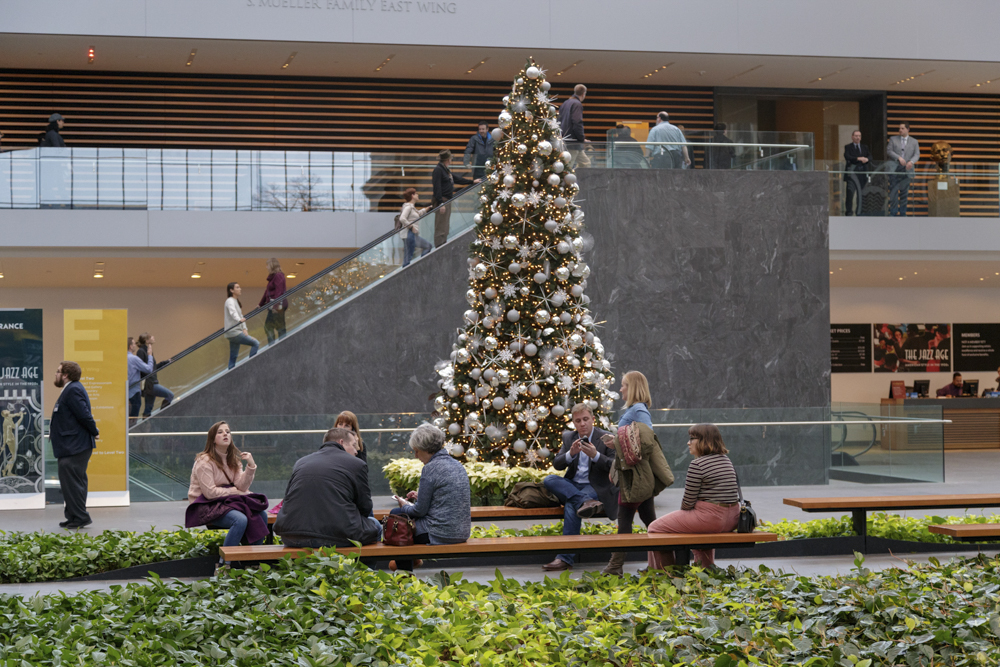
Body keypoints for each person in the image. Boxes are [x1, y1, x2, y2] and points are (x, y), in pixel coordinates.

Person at [647, 423, 740, 570]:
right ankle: (706, 569)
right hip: (732, 518)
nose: (688, 443)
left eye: (692, 439)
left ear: (704, 441)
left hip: (710, 518)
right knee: (699, 531)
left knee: (655, 528)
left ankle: (666, 573)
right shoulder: (726, 460)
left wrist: (685, 515)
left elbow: (687, 503)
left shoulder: (698, 465)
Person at [274, 426, 382, 548]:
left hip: (291, 536)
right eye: (353, 445)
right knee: (375, 525)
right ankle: (364, 568)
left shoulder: (301, 462)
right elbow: (365, 507)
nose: (356, 451)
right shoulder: (357, 464)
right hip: (334, 537)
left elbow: (288, 498)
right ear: (341, 442)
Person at [541, 403, 617, 571]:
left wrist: (596, 455)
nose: (582, 424)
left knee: (570, 506)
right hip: (573, 484)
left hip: (595, 485)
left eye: (585, 419)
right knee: (549, 480)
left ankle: (564, 558)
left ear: (593, 419)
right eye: (578, 421)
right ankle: (585, 501)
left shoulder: (606, 437)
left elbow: (614, 465)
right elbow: (557, 465)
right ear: (574, 423)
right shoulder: (569, 438)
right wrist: (571, 454)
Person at [390, 423, 471, 572]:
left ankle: (404, 574)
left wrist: (404, 504)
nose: (415, 456)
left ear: (426, 449)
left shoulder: (430, 468)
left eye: (417, 451)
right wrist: (420, 496)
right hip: (462, 531)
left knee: (397, 515)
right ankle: (410, 560)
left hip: (439, 532)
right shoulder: (457, 465)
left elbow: (420, 511)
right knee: (403, 518)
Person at [599, 421, 674, 575]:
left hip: (633, 478)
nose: (622, 394)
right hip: (642, 477)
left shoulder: (635, 413)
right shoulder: (640, 415)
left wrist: (615, 442)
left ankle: (615, 566)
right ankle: (665, 565)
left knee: (625, 523)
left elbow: (634, 446)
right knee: (651, 523)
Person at [185, 421, 268, 556]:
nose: (225, 434)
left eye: (228, 432)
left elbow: (241, 486)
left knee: (261, 514)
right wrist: (235, 491)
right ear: (212, 439)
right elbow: (210, 493)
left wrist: (251, 465)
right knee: (240, 519)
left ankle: (253, 560)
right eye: (220, 432)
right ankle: (225, 564)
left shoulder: (233, 461)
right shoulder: (204, 461)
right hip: (206, 504)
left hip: (226, 502)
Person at [50, 361, 99, 529]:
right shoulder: (71, 389)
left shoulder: (73, 389)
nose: (55, 374)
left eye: (58, 371)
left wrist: (94, 431)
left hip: (75, 446)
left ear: (65, 375)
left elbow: (84, 415)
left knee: (73, 483)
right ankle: (72, 517)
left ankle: (80, 517)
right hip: (71, 446)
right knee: (70, 482)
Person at [431, 150, 480, 248]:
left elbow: (457, 179)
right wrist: (441, 203)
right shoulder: (438, 170)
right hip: (443, 201)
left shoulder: (445, 170)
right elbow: (437, 187)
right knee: (441, 225)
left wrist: (471, 181)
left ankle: (443, 243)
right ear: (448, 159)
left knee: (445, 225)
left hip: (447, 200)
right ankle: (439, 246)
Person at [224, 282, 259, 369]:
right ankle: (250, 367)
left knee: (233, 357)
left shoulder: (235, 301)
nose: (240, 289)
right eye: (237, 287)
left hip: (233, 333)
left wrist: (244, 328)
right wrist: (238, 320)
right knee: (255, 343)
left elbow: (241, 316)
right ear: (231, 290)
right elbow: (233, 313)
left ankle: (230, 376)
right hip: (234, 332)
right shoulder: (230, 301)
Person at [137, 333, 173, 418]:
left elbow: (153, 368)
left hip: (151, 383)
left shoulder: (148, 351)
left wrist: (166, 362)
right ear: (147, 341)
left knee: (148, 408)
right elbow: (142, 368)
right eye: (151, 337)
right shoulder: (142, 352)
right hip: (150, 383)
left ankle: (144, 428)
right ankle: (162, 416)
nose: (153, 337)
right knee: (169, 395)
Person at [887, 122, 919, 216]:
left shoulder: (914, 141)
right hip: (895, 169)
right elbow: (889, 150)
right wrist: (899, 158)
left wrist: (911, 162)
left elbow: (917, 154)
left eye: (902, 128)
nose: (900, 130)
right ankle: (893, 212)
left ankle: (903, 213)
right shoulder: (893, 139)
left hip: (907, 169)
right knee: (894, 192)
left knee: (904, 193)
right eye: (899, 128)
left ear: (908, 129)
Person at [558, 84, 591, 168]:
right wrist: (581, 139)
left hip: (565, 139)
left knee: (586, 163)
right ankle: (570, 180)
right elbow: (577, 122)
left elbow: (559, 120)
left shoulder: (565, 103)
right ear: (584, 94)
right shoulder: (577, 104)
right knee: (568, 167)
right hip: (573, 141)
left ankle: (575, 179)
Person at [843, 130, 873, 216]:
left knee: (861, 195)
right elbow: (847, 156)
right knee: (850, 195)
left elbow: (870, 156)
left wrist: (867, 159)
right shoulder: (848, 147)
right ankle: (849, 212)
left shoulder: (864, 147)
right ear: (852, 137)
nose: (858, 137)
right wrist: (858, 158)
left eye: (859, 136)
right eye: (856, 136)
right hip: (852, 174)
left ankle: (860, 212)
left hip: (862, 174)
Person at [126, 337, 155, 425]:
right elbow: (149, 369)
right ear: (130, 346)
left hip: (125, 393)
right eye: (134, 344)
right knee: (133, 421)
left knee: (126, 420)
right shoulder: (134, 359)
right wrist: (150, 355)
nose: (135, 345)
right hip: (134, 393)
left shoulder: (122, 359)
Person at [259, 258, 288, 345]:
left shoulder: (278, 276)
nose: (266, 267)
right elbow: (267, 291)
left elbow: (279, 291)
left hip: (277, 307)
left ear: (271, 265)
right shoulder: (273, 277)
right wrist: (260, 304)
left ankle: (275, 345)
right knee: (278, 326)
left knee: (270, 326)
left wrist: (275, 306)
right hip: (275, 306)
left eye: (267, 265)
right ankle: (279, 344)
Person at [400, 188, 431, 267]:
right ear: (412, 196)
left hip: (411, 235)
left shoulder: (411, 207)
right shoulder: (408, 207)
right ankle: (420, 267)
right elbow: (402, 218)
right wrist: (411, 227)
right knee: (408, 257)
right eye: (416, 193)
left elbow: (417, 214)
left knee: (408, 257)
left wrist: (427, 209)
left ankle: (419, 267)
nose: (418, 195)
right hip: (409, 234)